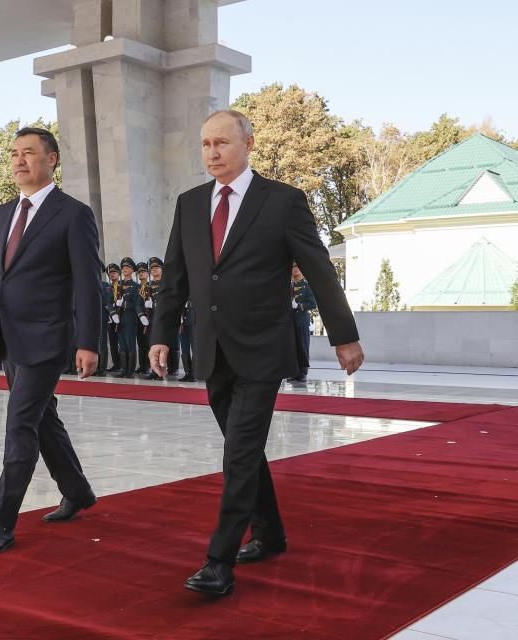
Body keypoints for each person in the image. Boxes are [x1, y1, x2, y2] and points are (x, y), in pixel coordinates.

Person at [148, 109, 364, 597]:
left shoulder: (283, 202)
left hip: (263, 348)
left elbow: (319, 269)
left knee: (239, 452)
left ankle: (218, 562)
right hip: (212, 349)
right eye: (205, 145)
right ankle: (270, 533)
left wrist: (342, 334)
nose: (212, 153)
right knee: (242, 450)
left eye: (222, 142)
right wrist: (161, 334)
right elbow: (176, 279)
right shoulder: (189, 204)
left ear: (248, 143)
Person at [0, 126, 100, 554]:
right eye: (14, 153)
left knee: (20, 424)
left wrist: (88, 341)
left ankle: (1, 521)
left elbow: (89, 283)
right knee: (41, 418)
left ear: (51, 160)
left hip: (49, 337)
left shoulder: (73, 214)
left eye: (29, 153)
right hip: (7, 337)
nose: (19, 160)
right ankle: (78, 490)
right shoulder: (2, 215)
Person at [111, 257, 139, 379]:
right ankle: (124, 369)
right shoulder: (118, 285)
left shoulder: (136, 286)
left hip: (130, 317)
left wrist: (125, 304)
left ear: (132, 270)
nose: (124, 269)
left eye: (127, 267)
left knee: (130, 343)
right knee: (121, 343)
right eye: (123, 268)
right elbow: (111, 300)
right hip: (119, 318)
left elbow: (138, 303)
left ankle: (131, 371)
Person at [290, 264, 317, 382]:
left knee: (303, 347)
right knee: (293, 347)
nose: (295, 269)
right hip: (291, 322)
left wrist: (299, 306)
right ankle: (295, 372)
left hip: (301, 320)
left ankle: (303, 373)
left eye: (297, 267)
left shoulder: (306, 286)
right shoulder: (290, 286)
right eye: (293, 267)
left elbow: (312, 304)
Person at [104, 263, 122, 372]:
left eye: (114, 272)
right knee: (113, 343)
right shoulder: (107, 287)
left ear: (119, 273)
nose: (112, 275)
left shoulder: (123, 286)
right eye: (110, 273)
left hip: (121, 318)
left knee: (122, 343)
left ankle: (124, 364)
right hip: (110, 319)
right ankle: (116, 364)